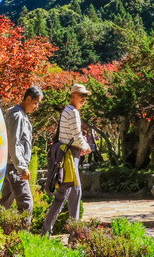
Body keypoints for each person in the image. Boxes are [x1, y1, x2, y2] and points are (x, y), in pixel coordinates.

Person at [40, 84, 92, 235]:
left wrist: (80, 146)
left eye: (85, 96)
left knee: (63, 194)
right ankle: (75, 233)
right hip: (70, 156)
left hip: (66, 153)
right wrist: (86, 147)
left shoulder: (66, 110)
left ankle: (46, 231)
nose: (83, 99)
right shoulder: (73, 112)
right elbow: (76, 134)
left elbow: (67, 136)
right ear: (73, 95)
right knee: (75, 192)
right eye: (81, 95)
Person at [0, 85, 43, 213]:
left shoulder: (20, 114)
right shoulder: (17, 115)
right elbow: (14, 141)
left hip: (12, 164)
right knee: (26, 202)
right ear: (28, 99)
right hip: (15, 165)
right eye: (36, 103)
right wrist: (22, 167)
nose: (36, 107)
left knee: (5, 202)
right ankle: (24, 232)